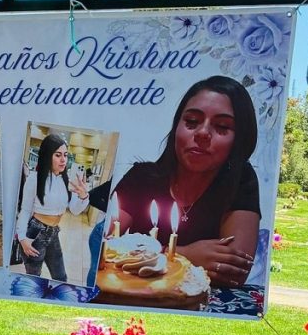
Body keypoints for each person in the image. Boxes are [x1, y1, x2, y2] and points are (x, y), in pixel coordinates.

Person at [109, 75, 260, 289]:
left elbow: (232, 272)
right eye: (191, 121)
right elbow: (99, 251)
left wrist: (136, 258)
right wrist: (186, 255)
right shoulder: (140, 178)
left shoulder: (241, 181)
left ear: (239, 139)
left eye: (222, 126)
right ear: (177, 126)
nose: (203, 133)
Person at [14, 134, 90, 281]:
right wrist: (22, 238)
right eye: (58, 155)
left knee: (61, 278)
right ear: (48, 155)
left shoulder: (65, 180)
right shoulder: (34, 179)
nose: (63, 160)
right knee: (34, 278)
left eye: (66, 155)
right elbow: (25, 211)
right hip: (35, 233)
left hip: (54, 233)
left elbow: (74, 210)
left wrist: (83, 196)